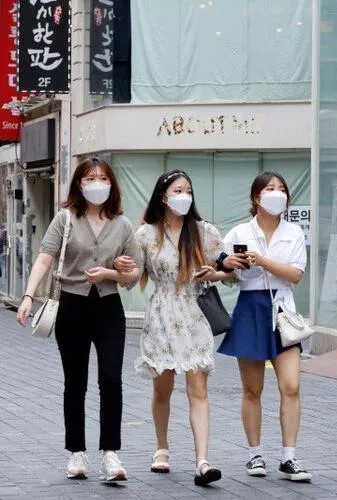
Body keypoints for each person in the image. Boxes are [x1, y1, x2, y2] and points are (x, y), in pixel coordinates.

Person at [16, 157, 142, 482]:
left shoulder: (123, 225)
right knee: (76, 383)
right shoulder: (65, 219)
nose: (96, 184)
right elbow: (45, 257)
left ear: (111, 184)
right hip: (72, 307)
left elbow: (134, 275)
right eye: (89, 179)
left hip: (109, 308)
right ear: (79, 184)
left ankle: (111, 454)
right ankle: (76, 453)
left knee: (111, 380)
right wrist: (29, 295)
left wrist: (113, 271)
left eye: (102, 178)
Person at [114, 170, 227, 486]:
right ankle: (161, 447)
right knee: (162, 388)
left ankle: (202, 461)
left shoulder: (205, 232)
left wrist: (215, 273)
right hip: (161, 314)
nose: (185, 195)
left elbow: (230, 269)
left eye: (189, 190)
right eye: (179, 190)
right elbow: (134, 277)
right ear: (163, 196)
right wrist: (117, 270)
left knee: (198, 389)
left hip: (194, 314)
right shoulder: (146, 235)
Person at [217, 172, 311, 482]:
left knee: (291, 386)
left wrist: (262, 261)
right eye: (270, 189)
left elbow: (295, 274)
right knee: (252, 389)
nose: (277, 194)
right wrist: (227, 265)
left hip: (283, 312)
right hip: (250, 309)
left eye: (282, 189)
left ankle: (289, 457)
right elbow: (226, 268)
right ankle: (254, 454)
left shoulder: (294, 232)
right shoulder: (240, 231)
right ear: (256, 197)